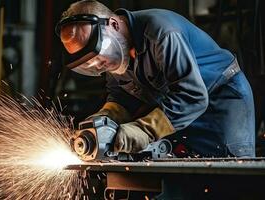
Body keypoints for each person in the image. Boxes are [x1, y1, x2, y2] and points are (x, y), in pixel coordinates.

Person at [55, 0, 255, 157]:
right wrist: (102, 121)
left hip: (221, 97)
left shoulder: (161, 33)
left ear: (114, 25)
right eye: (90, 63)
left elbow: (192, 96)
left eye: (99, 56)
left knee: (227, 176)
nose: (99, 65)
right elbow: (121, 98)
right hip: (175, 110)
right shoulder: (114, 53)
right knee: (180, 180)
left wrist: (144, 130)